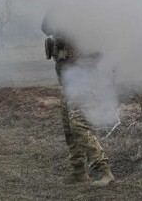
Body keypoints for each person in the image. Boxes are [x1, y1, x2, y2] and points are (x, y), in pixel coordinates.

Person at [42, 14, 115, 186]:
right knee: (69, 127)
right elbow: (46, 28)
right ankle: (79, 171)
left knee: (78, 123)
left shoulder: (87, 12)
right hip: (69, 82)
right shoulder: (64, 9)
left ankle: (103, 170)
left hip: (86, 79)